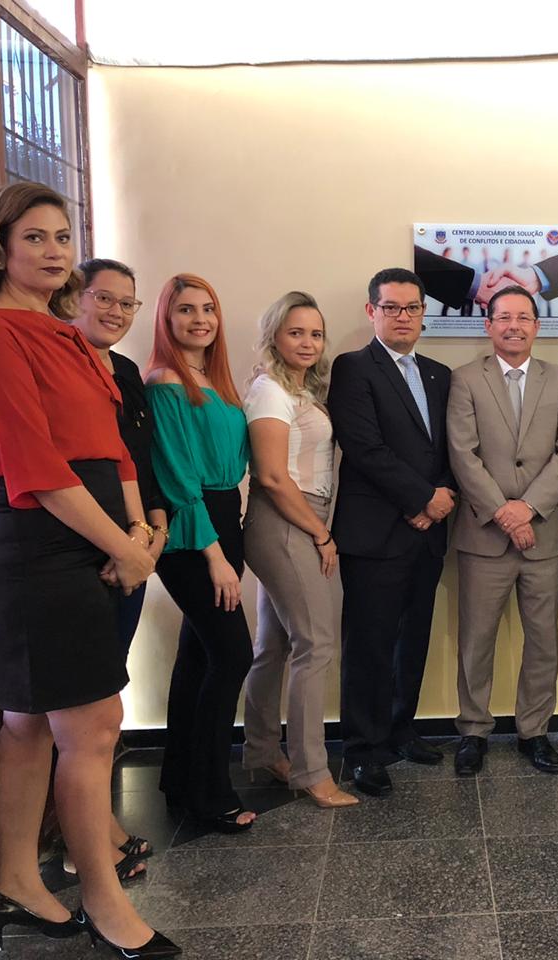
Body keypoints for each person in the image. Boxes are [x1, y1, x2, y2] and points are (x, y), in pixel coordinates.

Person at [0, 183, 175, 956]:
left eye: (63, 238)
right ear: (0, 246)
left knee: (28, 727)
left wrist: (138, 530)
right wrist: (125, 547)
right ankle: (106, 904)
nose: (54, 251)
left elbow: (115, 450)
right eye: (36, 237)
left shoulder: (65, 334)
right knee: (94, 726)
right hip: (35, 553)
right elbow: (36, 466)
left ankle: (16, 882)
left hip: (93, 540)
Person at [328, 267, 455, 798]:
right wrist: (422, 498)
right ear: (372, 311)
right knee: (370, 644)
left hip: (428, 531)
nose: (403, 316)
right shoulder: (353, 368)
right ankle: (364, 748)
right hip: (375, 532)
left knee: (412, 639)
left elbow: (449, 448)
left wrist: (440, 497)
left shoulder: (439, 374)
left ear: (424, 313)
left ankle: (402, 730)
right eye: (391, 307)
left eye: (412, 308)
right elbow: (365, 448)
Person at [447, 285, 558, 774]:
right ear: (488, 325)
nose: (514, 326)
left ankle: (535, 731)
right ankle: (473, 731)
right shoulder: (466, 379)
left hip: (542, 534)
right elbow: (462, 454)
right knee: (476, 639)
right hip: (483, 535)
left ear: (537, 326)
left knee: (543, 639)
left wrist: (528, 508)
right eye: (503, 317)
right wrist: (503, 512)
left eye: (523, 317)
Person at [145, 274, 256, 833]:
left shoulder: (216, 381)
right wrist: (214, 553)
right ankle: (211, 794)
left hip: (223, 517)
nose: (199, 320)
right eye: (185, 310)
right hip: (193, 530)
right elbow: (176, 474)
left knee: (198, 655)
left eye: (207, 308)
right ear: (166, 319)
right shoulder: (165, 382)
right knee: (232, 656)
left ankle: (180, 780)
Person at [70, 257, 168, 879]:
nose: (115, 311)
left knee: (109, 696)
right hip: (81, 549)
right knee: (83, 709)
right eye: (103, 298)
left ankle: (100, 824)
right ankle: (83, 845)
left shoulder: (126, 371)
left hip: (133, 543)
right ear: (74, 299)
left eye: (126, 302)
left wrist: (150, 532)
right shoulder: (62, 363)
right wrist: (122, 544)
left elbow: (138, 459)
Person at [241, 291, 358, 807]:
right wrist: (321, 532)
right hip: (286, 520)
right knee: (317, 643)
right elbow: (271, 476)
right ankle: (311, 771)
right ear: (275, 336)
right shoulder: (269, 391)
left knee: (274, 645)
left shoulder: (300, 389)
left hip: (298, 517)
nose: (308, 343)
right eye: (296, 333)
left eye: (315, 333)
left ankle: (263, 750)